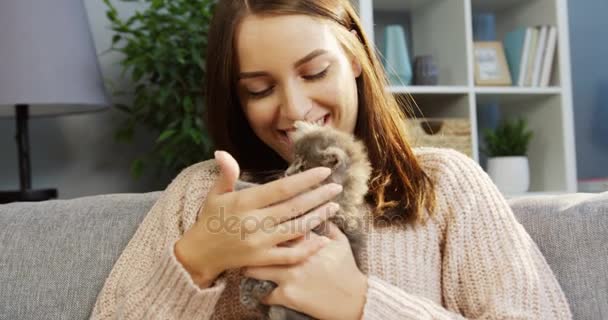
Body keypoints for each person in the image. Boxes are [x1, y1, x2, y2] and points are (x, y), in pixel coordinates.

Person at [90, 0, 573, 319]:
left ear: (356, 57)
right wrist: (198, 260)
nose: (296, 109)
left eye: (315, 71)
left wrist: (361, 302)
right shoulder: (203, 193)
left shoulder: (442, 185)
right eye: (259, 89)